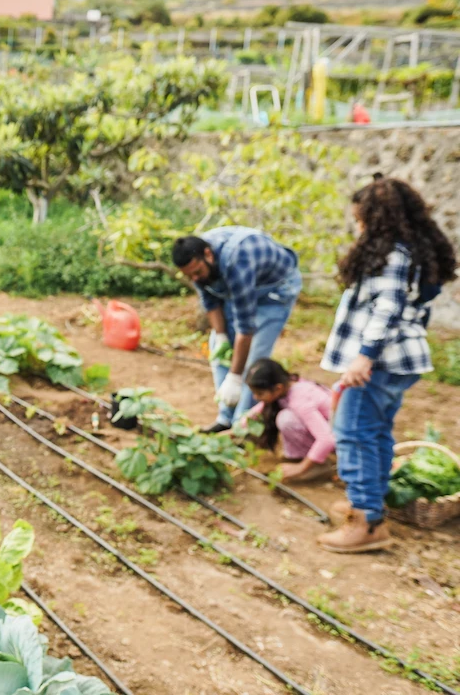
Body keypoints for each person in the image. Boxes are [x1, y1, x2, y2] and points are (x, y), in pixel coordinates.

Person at [317, 175, 456, 553]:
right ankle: (370, 507)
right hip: (396, 361)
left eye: (361, 219)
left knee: (354, 432)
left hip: (381, 361)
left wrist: (365, 356)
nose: (358, 226)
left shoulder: (393, 255)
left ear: (377, 219)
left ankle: (366, 522)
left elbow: (388, 308)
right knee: (375, 432)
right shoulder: (412, 252)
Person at [172, 228, 303, 433]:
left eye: (197, 272)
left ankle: (240, 427)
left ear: (208, 254)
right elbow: (210, 302)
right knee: (218, 346)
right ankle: (225, 417)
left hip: (275, 291)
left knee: (253, 362)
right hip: (244, 288)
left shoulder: (237, 261)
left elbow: (246, 328)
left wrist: (234, 377)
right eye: (190, 276)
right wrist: (223, 336)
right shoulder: (196, 265)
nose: (195, 278)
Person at [242, 359, 335, 483]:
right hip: (330, 430)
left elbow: (327, 439)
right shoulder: (288, 386)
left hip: (341, 439)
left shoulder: (300, 399)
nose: (256, 397)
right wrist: (238, 428)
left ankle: (317, 465)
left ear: (278, 388)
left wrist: (300, 468)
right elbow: (255, 413)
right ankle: (304, 458)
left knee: (286, 419)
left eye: (259, 393)